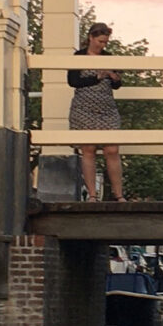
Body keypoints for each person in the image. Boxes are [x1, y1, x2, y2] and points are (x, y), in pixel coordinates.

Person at [67, 21, 124, 202]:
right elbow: (73, 81)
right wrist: (96, 77)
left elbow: (117, 85)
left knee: (112, 149)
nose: (102, 45)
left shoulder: (109, 57)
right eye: (99, 41)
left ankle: (118, 195)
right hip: (84, 108)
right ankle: (92, 195)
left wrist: (114, 77)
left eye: (105, 42)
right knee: (88, 149)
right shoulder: (78, 56)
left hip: (106, 108)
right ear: (91, 38)